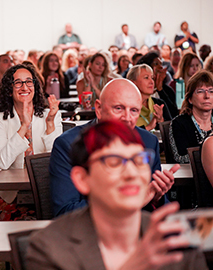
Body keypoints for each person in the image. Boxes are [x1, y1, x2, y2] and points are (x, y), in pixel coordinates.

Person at [27, 120, 207, 270]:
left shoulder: (179, 238)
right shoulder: (48, 248)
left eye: (139, 160)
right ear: (82, 179)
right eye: (114, 162)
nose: (131, 173)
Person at [50, 79, 178, 217]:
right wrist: (128, 200)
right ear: (98, 109)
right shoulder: (68, 144)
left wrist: (156, 198)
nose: (127, 118)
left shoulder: (148, 142)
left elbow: (154, 204)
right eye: (118, 108)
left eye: (134, 111)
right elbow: (65, 212)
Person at [0, 64, 62, 221]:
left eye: (29, 81)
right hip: (11, 194)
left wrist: (50, 123)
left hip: (47, 190)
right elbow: (2, 162)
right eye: (18, 82)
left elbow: (57, 158)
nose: (24, 87)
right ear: (9, 89)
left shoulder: (50, 114)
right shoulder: (0, 119)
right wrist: (23, 126)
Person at [170, 70, 213, 163]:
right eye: (200, 91)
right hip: (190, 175)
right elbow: (180, 158)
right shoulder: (179, 123)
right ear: (190, 99)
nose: (207, 96)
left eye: (211, 91)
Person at [128, 64, 171, 131]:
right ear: (133, 83)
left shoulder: (159, 104)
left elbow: (171, 135)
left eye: (152, 78)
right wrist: (148, 128)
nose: (151, 82)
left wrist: (161, 120)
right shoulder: (126, 107)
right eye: (146, 78)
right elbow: (124, 135)